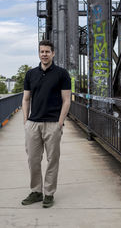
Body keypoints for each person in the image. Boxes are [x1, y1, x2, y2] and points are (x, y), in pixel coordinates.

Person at [21, 40, 71, 208]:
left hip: (52, 124)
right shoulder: (30, 74)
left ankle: (49, 193)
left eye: (47, 51)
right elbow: (26, 99)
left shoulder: (62, 74)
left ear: (53, 53)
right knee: (33, 160)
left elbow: (66, 100)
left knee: (52, 160)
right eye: (42, 51)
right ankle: (36, 192)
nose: (44, 54)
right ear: (39, 53)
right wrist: (25, 121)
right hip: (33, 124)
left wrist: (60, 122)